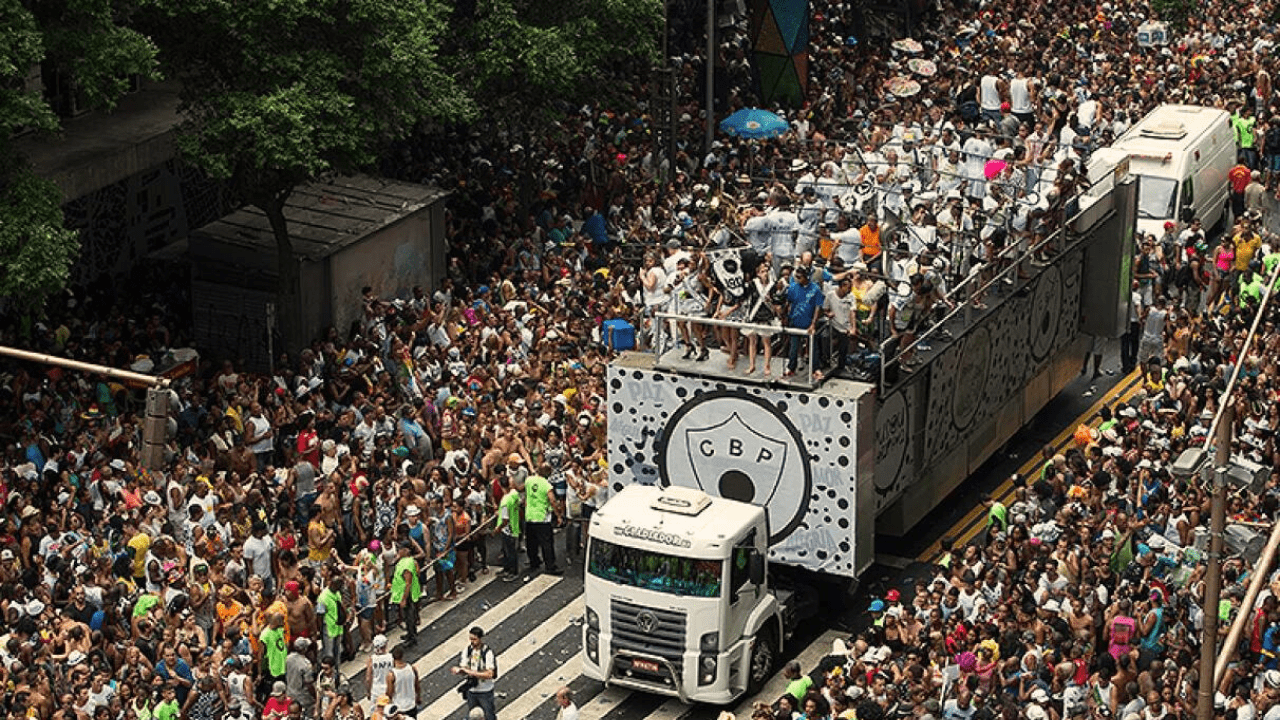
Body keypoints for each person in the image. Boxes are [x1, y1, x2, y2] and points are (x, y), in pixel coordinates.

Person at [783, 266, 824, 379]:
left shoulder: (815, 289)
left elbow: (817, 307)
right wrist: (785, 317)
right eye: (796, 277)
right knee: (794, 347)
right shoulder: (793, 287)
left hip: (808, 321)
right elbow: (788, 303)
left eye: (800, 277)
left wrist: (813, 324)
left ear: (806, 277)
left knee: (813, 347)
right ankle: (791, 367)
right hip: (795, 321)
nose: (797, 279)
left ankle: (815, 368)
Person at [451, 627, 498, 720]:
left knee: (488, 715)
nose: (472, 642)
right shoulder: (468, 651)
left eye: (474, 639)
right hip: (472, 691)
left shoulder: (487, 653)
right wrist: (460, 671)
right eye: (470, 639)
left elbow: (490, 674)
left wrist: (471, 672)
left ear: (480, 639)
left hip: (485, 691)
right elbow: (464, 667)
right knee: (473, 716)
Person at [524, 464, 562, 575]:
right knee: (547, 543)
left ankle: (534, 561)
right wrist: (558, 515)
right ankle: (550, 566)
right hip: (542, 517)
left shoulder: (529, 480)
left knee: (531, 542)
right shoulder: (547, 485)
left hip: (530, 515)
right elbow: (552, 501)